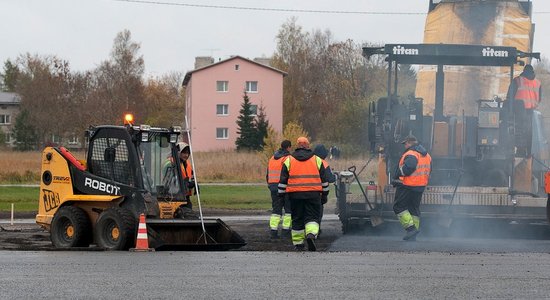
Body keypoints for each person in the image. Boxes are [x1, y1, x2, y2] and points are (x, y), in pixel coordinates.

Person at [278, 137, 330, 251]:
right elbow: (324, 181)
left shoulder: (288, 160)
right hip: (313, 195)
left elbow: (282, 182)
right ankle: (311, 235)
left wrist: (281, 197)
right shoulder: (317, 160)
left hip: (295, 196)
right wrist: (325, 195)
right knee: (312, 217)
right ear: (308, 146)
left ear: (297, 145)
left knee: (297, 219)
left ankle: (299, 244)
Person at [391, 134, 432, 241]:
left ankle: (411, 229)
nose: (404, 146)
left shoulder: (411, 154)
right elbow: (429, 170)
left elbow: (409, 167)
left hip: (408, 185)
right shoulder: (427, 155)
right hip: (420, 186)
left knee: (398, 207)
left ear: (409, 143)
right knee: (414, 209)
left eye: (405, 144)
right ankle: (413, 235)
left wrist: (397, 174)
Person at [506, 64, 542, 156]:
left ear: (524, 71)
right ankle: (529, 153)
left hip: (519, 112)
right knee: (530, 134)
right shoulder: (538, 83)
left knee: (519, 131)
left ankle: (520, 152)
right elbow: (539, 99)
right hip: (532, 112)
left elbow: (509, 97)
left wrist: (508, 109)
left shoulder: (517, 81)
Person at [266, 140, 292, 239]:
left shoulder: (272, 158)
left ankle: (273, 231)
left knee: (276, 211)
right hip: (285, 188)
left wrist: (270, 185)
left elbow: (268, 174)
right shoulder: (288, 158)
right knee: (288, 211)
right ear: (289, 147)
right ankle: (285, 231)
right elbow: (290, 173)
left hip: (273, 187)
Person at [312, 144, 336, 236]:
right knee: (317, 214)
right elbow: (329, 179)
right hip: (318, 193)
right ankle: (315, 231)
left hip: (304, 191)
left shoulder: (308, 161)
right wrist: (335, 176)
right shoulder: (323, 163)